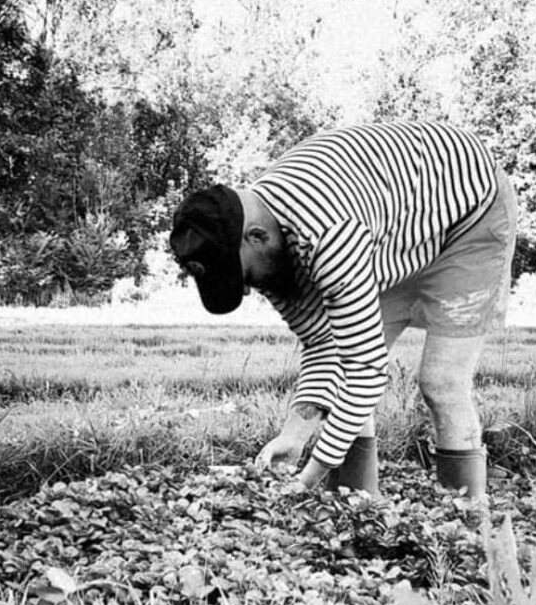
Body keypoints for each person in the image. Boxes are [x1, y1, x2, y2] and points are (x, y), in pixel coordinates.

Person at [170, 121, 517, 497]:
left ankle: (464, 528)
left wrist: (309, 477)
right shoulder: (269, 249)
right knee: (349, 359)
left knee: (441, 382)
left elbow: (367, 371)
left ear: (257, 237)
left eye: (245, 277)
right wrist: (294, 434)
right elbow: (324, 346)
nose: (252, 289)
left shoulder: (329, 238)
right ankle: (355, 506)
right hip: (392, 223)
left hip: (468, 214)